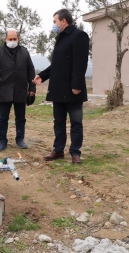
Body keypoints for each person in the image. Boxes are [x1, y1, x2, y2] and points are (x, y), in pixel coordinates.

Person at [33, 9, 89, 164]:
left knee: (76, 123)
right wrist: (42, 75)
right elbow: (57, 65)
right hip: (58, 89)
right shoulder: (60, 38)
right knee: (59, 122)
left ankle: (75, 153)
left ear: (64, 21)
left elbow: (80, 62)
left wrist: (76, 85)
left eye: (55, 21)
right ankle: (58, 150)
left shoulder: (79, 35)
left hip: (73, 89)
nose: (54, 25)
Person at [0, 28, 36, 151]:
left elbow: (31, 71)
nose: (13, 41)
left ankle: (20, 140)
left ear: (18, 39)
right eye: (10, 39)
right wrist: (0, 82)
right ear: (6, 39)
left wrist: (32, 88)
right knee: (2, 118)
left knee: (21, 118)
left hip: (20, 90)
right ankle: (2, 141)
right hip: (4, 92)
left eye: (15, 39)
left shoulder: (24, 52)